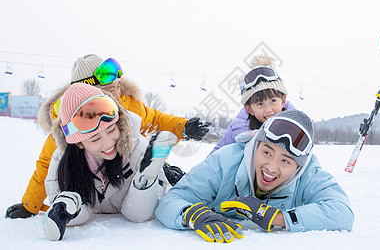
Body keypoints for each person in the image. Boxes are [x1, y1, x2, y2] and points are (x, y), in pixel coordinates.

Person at [6, 54, 210, 219]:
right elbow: (47, 163)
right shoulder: (72, 125)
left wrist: (184, 127)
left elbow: (155, 119)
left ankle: (162, 174)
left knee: (152, 172)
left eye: (118, 86)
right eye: (110, 90)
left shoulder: (126, 103)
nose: (118, 94)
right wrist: (30, 204)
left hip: (129, 179)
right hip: (94, 191)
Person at [155, 109, 354, 243]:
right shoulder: (223, 162)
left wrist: (277, 218)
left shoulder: (309, 174)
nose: (271, 168)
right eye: (266, 152)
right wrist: (192, 215)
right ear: (255, 146)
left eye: (285, 161)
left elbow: (342, 213)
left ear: (298, 166)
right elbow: (170, 202)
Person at [42, 83, 177, 241]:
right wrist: (62, 206)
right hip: (84, 205)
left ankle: (145, 180)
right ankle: (69, 204)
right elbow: (53, 192)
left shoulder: (139, 149)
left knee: (137, 214)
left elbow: (147, 210)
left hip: (132, 202)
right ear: (78, 143)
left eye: (112, 130)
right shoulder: (62, 159)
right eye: (95, 138)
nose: (107, 143)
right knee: (79, 213)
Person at [210, 55, 294, 154]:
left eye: (273, 101)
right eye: (259, 104)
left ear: (283, 101)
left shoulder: (295, 126)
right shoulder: (237, 129)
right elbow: (216, 157)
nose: (268, 110)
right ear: (249, 109)